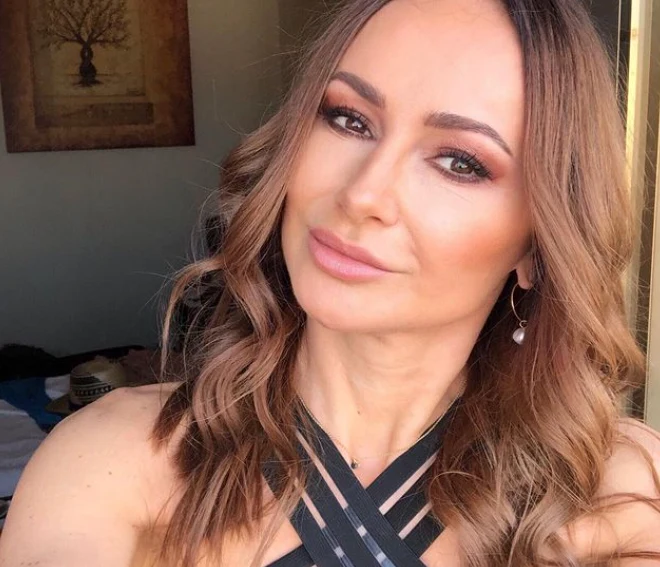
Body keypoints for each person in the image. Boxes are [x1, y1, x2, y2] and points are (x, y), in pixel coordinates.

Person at [2, 0, 660, 565]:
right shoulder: (114, 459)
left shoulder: (619, 491)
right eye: (349, 119)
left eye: (460, 162)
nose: (363, 193)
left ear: (538, 246)